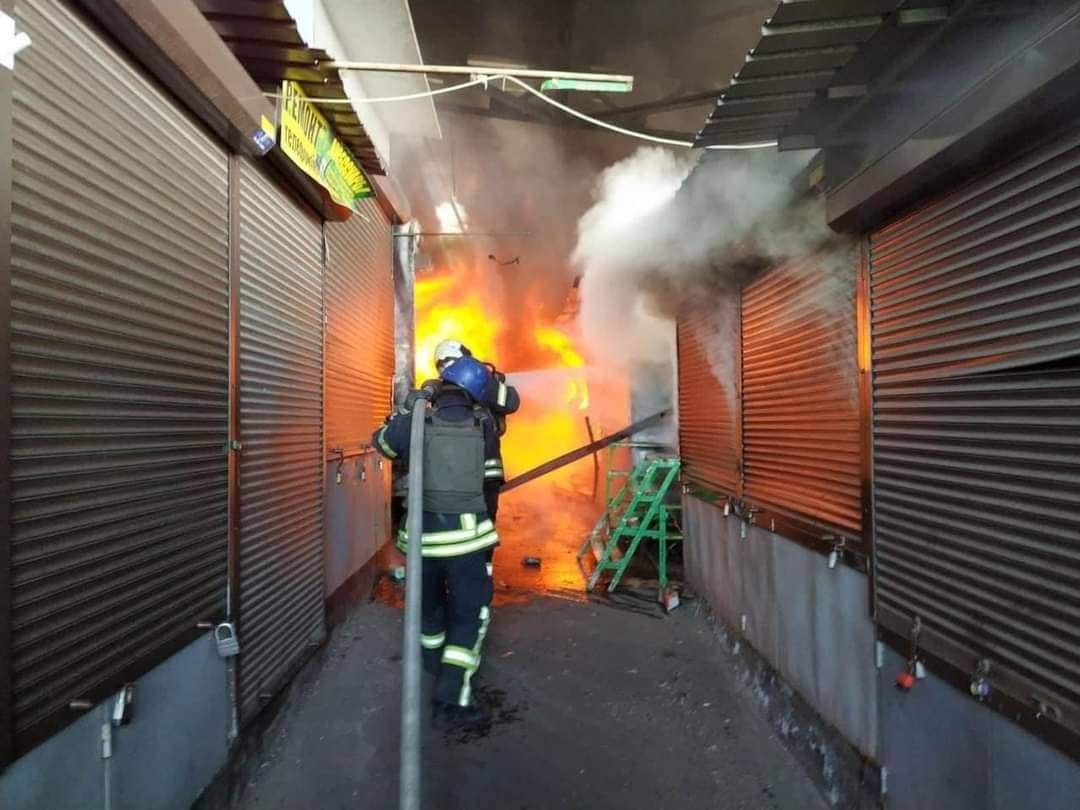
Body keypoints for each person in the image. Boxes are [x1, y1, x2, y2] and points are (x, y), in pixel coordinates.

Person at [372, 353, 503, 724]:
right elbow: (491, 478)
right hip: (466, 542)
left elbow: (381, 444)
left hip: (421, 543)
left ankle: (432, 665)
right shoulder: (484, 423)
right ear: (475, 394)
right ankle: (453, 697)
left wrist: (406, 409)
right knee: (470, 615)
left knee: (428, 610)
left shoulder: (416, 419)